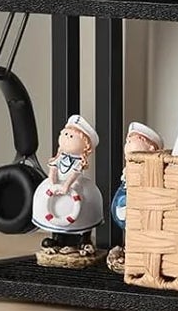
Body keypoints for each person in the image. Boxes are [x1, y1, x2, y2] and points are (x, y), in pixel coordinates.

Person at [33, 115, 105, 268]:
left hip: (73, 185)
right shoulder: (60, 157)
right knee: (55, 208)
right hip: (56, 185)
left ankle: (84, 239)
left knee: (84, 206)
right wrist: (52, 183)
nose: (66, 137)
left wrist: (66, 186)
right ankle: (59, 238)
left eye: (71, 136)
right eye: (64, 134)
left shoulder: (79, 161)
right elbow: (52, 170)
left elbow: (74, 175)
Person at [106, 121, 164, 273]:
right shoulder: (128, 169)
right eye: (127, 141)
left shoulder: (149, 170)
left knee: (140, 228)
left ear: (151, 148)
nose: (128, 144)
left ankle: (141, 252)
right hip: (125, 205)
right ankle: (128, 250)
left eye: (133, 140)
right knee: (130, 228)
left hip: (142, 207)